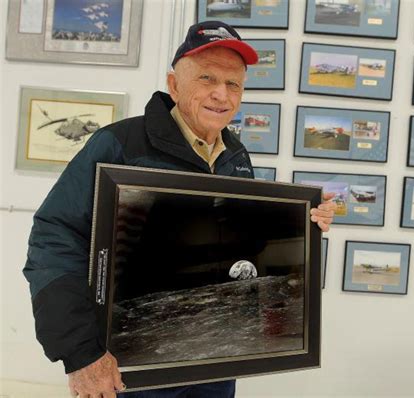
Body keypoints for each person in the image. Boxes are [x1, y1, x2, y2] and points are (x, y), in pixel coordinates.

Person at [23, 21, 336, 398]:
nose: (221, 94)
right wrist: (81, 354)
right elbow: (53, 241)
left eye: (233, 83)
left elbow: (243, 244)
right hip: (128, 365)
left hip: (214, 359)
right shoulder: (119, 144)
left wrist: (305, 224)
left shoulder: (235, 157)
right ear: (174, 85)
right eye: (207, 78)